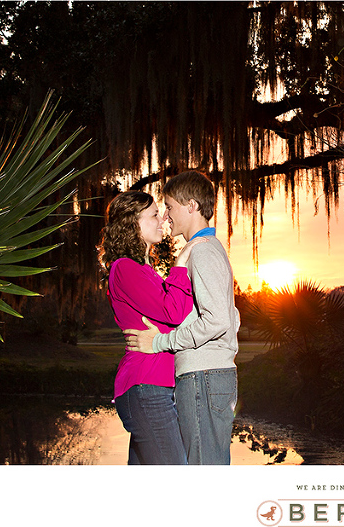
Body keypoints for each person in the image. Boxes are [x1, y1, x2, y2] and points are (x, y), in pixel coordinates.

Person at [124, 171, 240, 465]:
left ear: (191, 206)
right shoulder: (202, 251)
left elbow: (219, 322)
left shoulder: (203, 252)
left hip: (204, 375)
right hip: (206, 375)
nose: (165, 216)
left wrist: (162, 342)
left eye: (170, 206)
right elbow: (232, 317)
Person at [99, 190, 204, 465]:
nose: (163, 220)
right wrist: (180, 266)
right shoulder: (124, 268)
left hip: (155, 388)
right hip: (146, 387)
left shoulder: (146, 271)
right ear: (133, 223)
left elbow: (173, 312)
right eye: (155, 215)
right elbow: (174, 311)